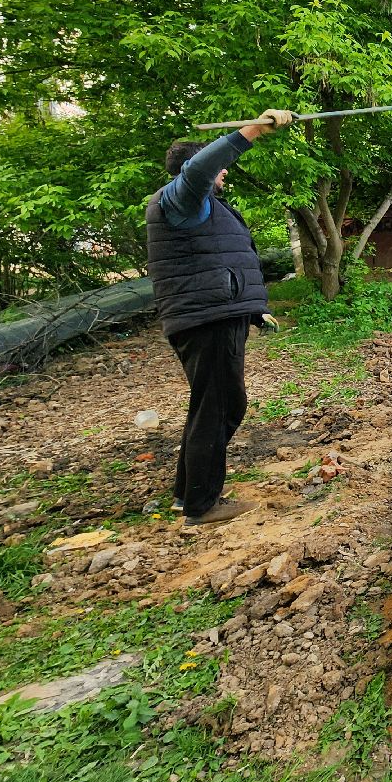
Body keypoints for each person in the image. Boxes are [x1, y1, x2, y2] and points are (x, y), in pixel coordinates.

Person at [146, 110, 295, 527]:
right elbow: (200, 169)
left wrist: (254, 309)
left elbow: (222, 262)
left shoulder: (201, 207)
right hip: (207, 320)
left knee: (214, 405)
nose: (225, 172)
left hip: (216, 317)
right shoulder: (182, 200)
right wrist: (252, 131)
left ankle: (187, 494)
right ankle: (202, 505)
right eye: (220, 167)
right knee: (220, 406)